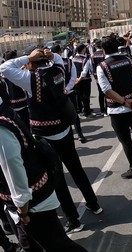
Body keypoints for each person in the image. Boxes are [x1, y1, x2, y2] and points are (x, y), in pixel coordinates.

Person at [0, 47, 103, 234]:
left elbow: (5, 68)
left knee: (58, 179)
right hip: (64, 128)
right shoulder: (58, 70)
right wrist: (50, 55)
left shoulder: (31, 79)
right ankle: (93, 203)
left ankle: (73, 219)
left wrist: (26, 58)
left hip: (45, 133)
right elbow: (57, 59)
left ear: (31, 61)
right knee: (76, 168)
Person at [0, 103, 88, 251]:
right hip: (25, 200)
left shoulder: (2, 128)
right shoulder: (4, 110)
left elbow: (14, 169)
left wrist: (23, 211)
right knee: (31, 245)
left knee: (60, 246)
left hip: (31, 204)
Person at [96, 36, 132, 178]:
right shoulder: (129, 60)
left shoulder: (102, 66)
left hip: (117, 109)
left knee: (126, 140)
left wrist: (124, 102)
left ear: (103, 50)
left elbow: (107, 90)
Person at [72, 44, 93, 117]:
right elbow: (85, 71)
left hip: (76, 80)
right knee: (86, 96)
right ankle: (87, 111)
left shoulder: (73, 58)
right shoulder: (85, 59)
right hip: (84, 80)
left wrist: (76, 79)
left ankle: (80, 110)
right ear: (83, 50)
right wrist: (80, 79)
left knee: (78, 95)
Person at [90, 39, 107, 116]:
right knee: (107, 92)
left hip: (97, 76)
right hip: (106, 75)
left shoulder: (93, 55)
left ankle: (102, 109)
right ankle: (107, 108)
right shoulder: (104, 54)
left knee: (100, 93)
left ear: (95, 46)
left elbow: (91, 66)